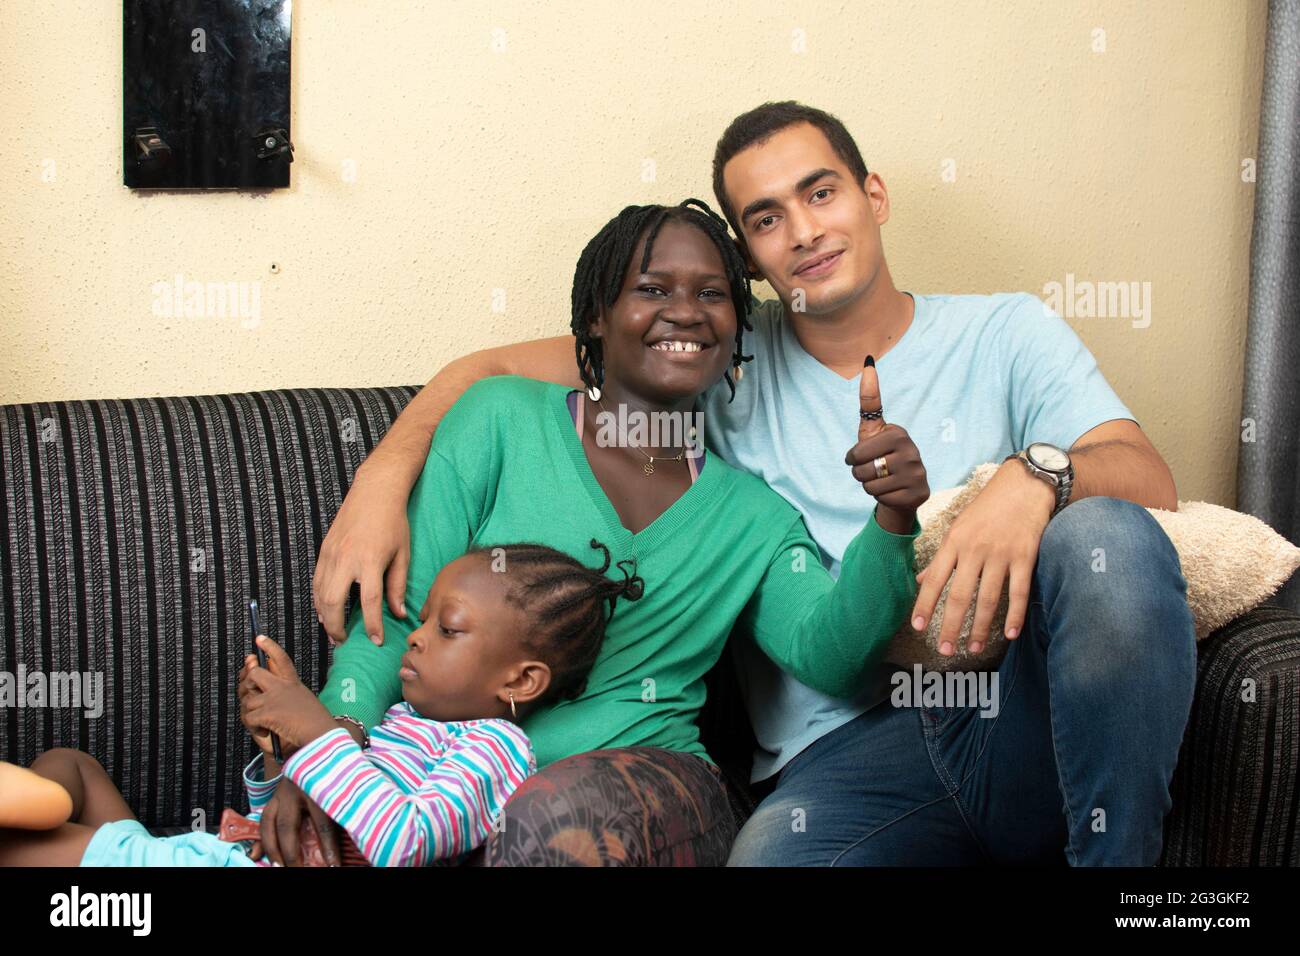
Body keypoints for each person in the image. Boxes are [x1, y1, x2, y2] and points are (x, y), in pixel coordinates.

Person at [313, 102, 1197, 866]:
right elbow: (510, 369)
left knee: (1103, 537)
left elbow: (1145, 480)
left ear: (873, 195)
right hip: (846, 753)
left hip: (1009, 718)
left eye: (822, 192)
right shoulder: (722, 358)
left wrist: (1030, 477)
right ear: (752, 257)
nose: (805, 231)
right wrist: (384, 474)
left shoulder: (1005, 332)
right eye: (768, 218)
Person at [264, 197, 929, 866]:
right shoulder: (499, 421)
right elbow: (395, 618)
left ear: (736, 329)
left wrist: (894, 518)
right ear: (595, 316)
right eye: (651, 289)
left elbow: (833, 658)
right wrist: (330, 744)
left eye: (713, 294)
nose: (687, 311)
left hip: (651, 790)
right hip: (446, 790)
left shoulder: (752, 517)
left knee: (554, 819)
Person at [0, 542, 640, 867]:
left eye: (447, 629)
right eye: (420, 620)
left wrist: (315, 727)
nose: (414, 636)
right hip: (239, 853)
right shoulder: (406, 723)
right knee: (70, 761)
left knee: (22, 847)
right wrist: (283, 756)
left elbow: (403, 839)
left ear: (522, 682)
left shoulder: (495, 752)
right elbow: (295, 831)